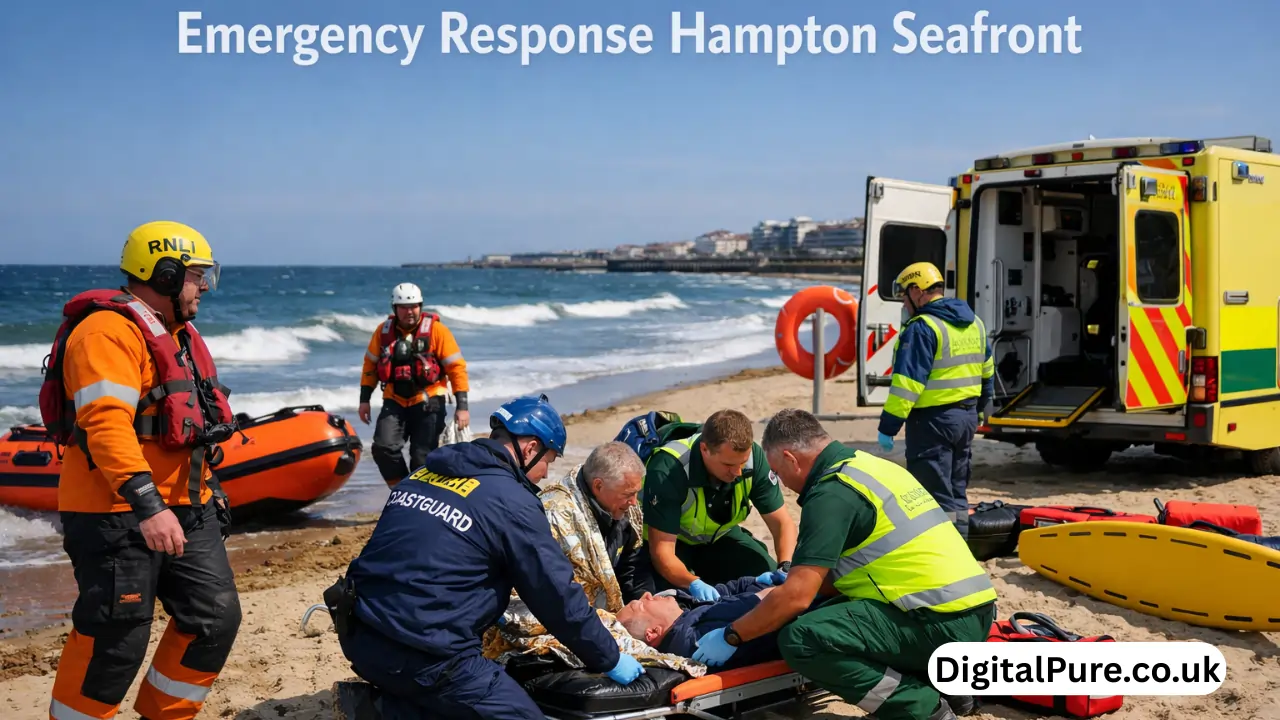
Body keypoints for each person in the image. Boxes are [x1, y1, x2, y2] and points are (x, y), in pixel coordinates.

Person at [333, 394, 645, 720]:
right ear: (530, 448)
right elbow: (557, 597)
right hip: (424, 654)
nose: (544, 475)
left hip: (358, 633)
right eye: (548, 462)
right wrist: (609, 658)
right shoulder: (513, 501)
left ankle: (373, 704)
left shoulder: (423, 474)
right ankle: (379, 710)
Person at [46, 221, 242, 720]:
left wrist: (209, 488)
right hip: (116, 510)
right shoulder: (105, 333)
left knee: (214, 618)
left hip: (187, 507)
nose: (204, 288)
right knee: (115, 638)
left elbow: (190, 426)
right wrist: (149, 505)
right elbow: (105, 425)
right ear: (167, 274)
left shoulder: (180, 336)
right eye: (198, 276)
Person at [692, 408, 998, 720]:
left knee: (801, 639)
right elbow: (856, 567)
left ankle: (919, 707)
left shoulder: (830, 493)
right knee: (837, 612)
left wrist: (732, 634)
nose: (780, 482)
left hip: (943, 624)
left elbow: (798, 597)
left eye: (777, 472)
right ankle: (947, 686)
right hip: (977, 609)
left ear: (791, 458)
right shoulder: (873, 467)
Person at [877, 262, 995, 539]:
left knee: (933, 493)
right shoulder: (973, 323)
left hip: (933, 423)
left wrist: (888, 427)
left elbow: (907, 386)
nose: (904, 304)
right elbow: (987, 372)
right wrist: (979, 411)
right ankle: (961, 543)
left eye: (905, 296)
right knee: (956, 490)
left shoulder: (922, 327)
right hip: (965, 418)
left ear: (917, 291)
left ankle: (946, 554)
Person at [641, 409, 798, 600]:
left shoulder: (753, 458)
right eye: (728, 465)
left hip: (718, 537)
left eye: (742, 462)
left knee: (768, 578)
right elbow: (662, 554)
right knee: (676, 601)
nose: (738, 472)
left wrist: (785, 565)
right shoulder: (667, 470)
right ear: (704, 449)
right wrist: (693, 583)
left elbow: (781, 523)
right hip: (674, 544)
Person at [359, 282, 470, 487]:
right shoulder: (383, 333)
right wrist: (364, 400)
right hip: (394, 398)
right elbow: (370, 365)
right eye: (403, 307)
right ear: (395, 309)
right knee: (383, 448)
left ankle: (419, 496)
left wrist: (462, 406)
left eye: (414, 306)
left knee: (422, 456)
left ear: (421, 306)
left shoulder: (437, 331)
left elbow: (457, 368)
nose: (409, 312)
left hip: (429, 400)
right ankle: (402, 490)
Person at [538, 441, 656, 610]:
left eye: (636, 492)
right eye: (628, 494)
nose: (634, 502)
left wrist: (641, 595)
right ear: (598, 485)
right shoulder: (554, 517)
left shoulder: (625, 508)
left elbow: (633, 565)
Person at [616, 571, 805, 671]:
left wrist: (758, 579)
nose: (647, 594)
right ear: (653, 632)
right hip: (804, 609)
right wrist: (785, 582)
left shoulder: (686, 617)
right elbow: (770, 601)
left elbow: (727, 591)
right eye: (639, 605)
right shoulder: (695, 640)